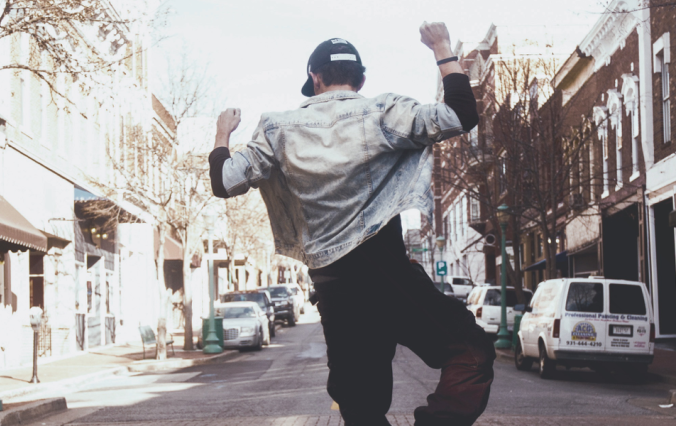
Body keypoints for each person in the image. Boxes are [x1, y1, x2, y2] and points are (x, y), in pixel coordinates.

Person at [209, 23, 492, 426]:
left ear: (314, 77)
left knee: (361, 407)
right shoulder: (385, 112)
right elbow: (461, 114)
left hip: (335, 288)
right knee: (470, 353)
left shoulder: (276, 129)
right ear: (361, 79)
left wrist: (223, 133)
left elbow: (224, 182)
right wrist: (442, 47)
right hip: (388, 272)